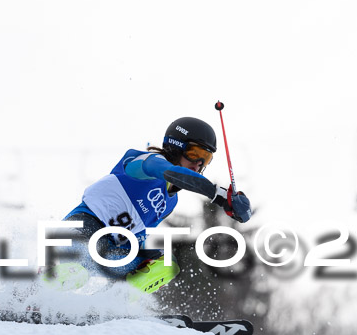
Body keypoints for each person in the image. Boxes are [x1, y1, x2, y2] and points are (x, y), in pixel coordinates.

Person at [42, 116, 252, 293]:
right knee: (78, 272)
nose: (198, 164)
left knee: (166, 265)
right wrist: (220, 195)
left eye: (205, 159)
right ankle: (35, 292)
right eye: (194, 154)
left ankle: (109, 306)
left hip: (111, 249)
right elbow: (169, 172)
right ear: (175, 146)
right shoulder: (144, 161)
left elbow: (137, 236)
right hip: (79, 231)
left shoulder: (170, 201)